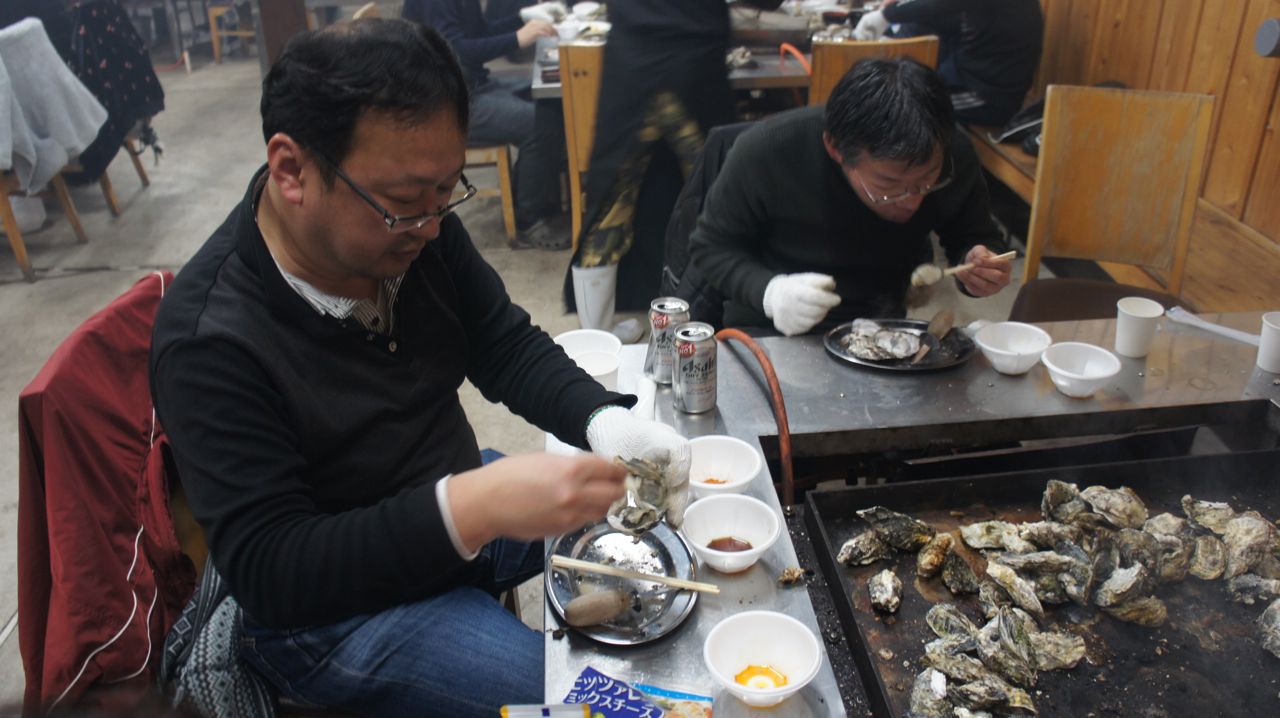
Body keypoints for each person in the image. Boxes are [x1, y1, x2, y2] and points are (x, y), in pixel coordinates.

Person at [149, 19, 689, 717]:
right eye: (406, 204)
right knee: (608, 707)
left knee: (664, 541)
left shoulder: (413, 230)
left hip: (445, 501)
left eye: (446, 193)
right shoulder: (210, 341)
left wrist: (604, 422)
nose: (432, 227)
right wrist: (468, 509)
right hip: (331, 613)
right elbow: (273, 571)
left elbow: (500, 343)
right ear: (291, 171)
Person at [688, 58, 1013, 337]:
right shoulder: (769, 150)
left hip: (879, 327)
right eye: (889, 184)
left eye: (926, 182)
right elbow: (711, 246)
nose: (912, 201)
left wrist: (979, 267)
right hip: (770, 329)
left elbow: (974, 235)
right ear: (835, 148)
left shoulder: (953, 152)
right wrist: (770, 293)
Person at [564, 0, 783, 332]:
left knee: (612, 202)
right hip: (694, 60)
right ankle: (708, 332)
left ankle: (597, 339)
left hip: (633, 58)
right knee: (717, 196)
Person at [402, 0, 569, 249]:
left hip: (472, 85)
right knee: (537, 123)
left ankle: (538, 198)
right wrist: (518, 38)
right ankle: (529, 222)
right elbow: (454, 50)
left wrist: (522, 19)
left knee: (551, 102)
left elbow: (477, 31)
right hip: (445, 104)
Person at [854, 0, 1043, 127]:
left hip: (987, 96)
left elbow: (942, 4)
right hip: (970, 78)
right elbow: (948, 16)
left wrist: (887, 15)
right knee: (887, 94)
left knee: (896, 103)